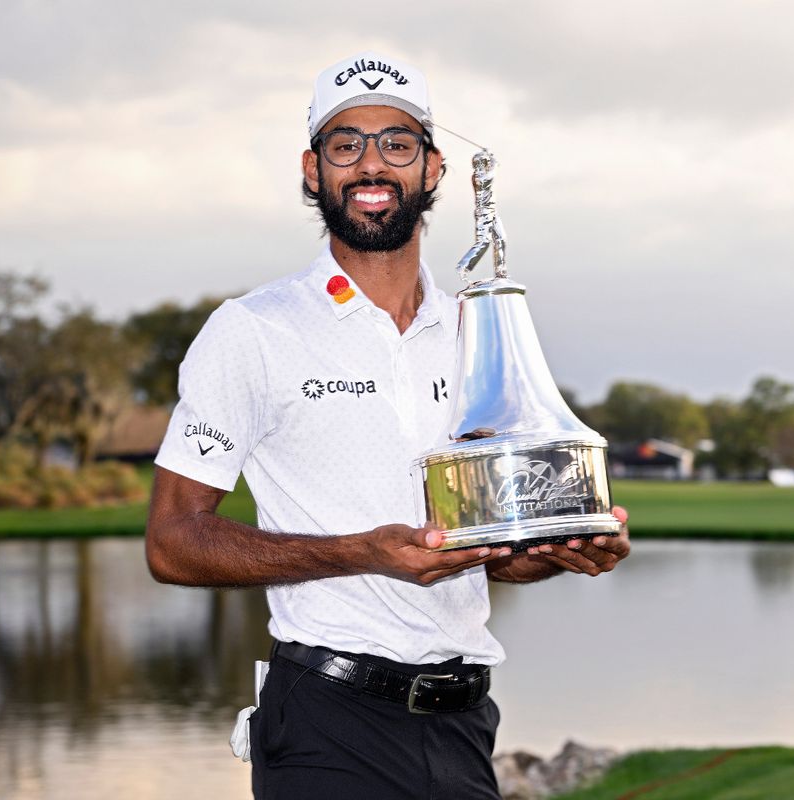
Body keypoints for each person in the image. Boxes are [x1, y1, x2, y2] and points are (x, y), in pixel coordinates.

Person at [144, 51, 631, 799]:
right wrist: (361, 553)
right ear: (314, 171)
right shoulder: (252, 331)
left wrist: (554, 550)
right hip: (326, 723)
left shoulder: (477, 333)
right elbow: (173, 543)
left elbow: (484, 553)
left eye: (397, 144)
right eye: (347, 145)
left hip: (464, 722)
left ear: (432, 169)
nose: (372, 164)